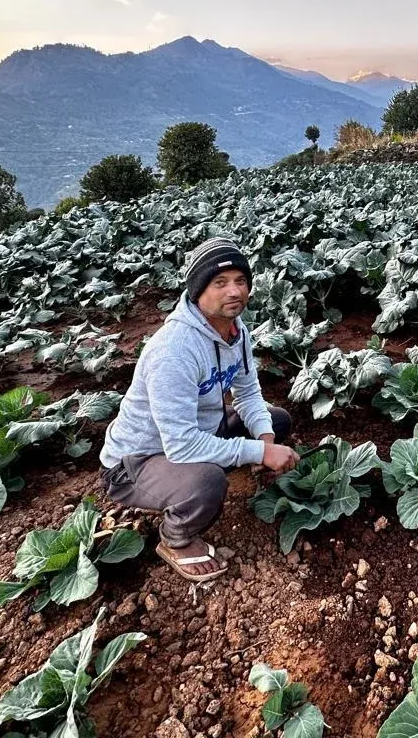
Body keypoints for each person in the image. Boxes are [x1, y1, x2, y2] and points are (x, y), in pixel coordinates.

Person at [99, 237, 299, 582]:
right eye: (220, 282)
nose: (234, 291)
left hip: (199, 431)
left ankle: (230, 463)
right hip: (137, 461)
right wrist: (258, 452)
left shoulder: (236, 331)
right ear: (197, 291)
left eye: (240, 280)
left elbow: (248, 393)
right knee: (207, 482)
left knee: (276, 421)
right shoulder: (173, 351)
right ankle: (175, 538)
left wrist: (265, 442)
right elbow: (180, 445)